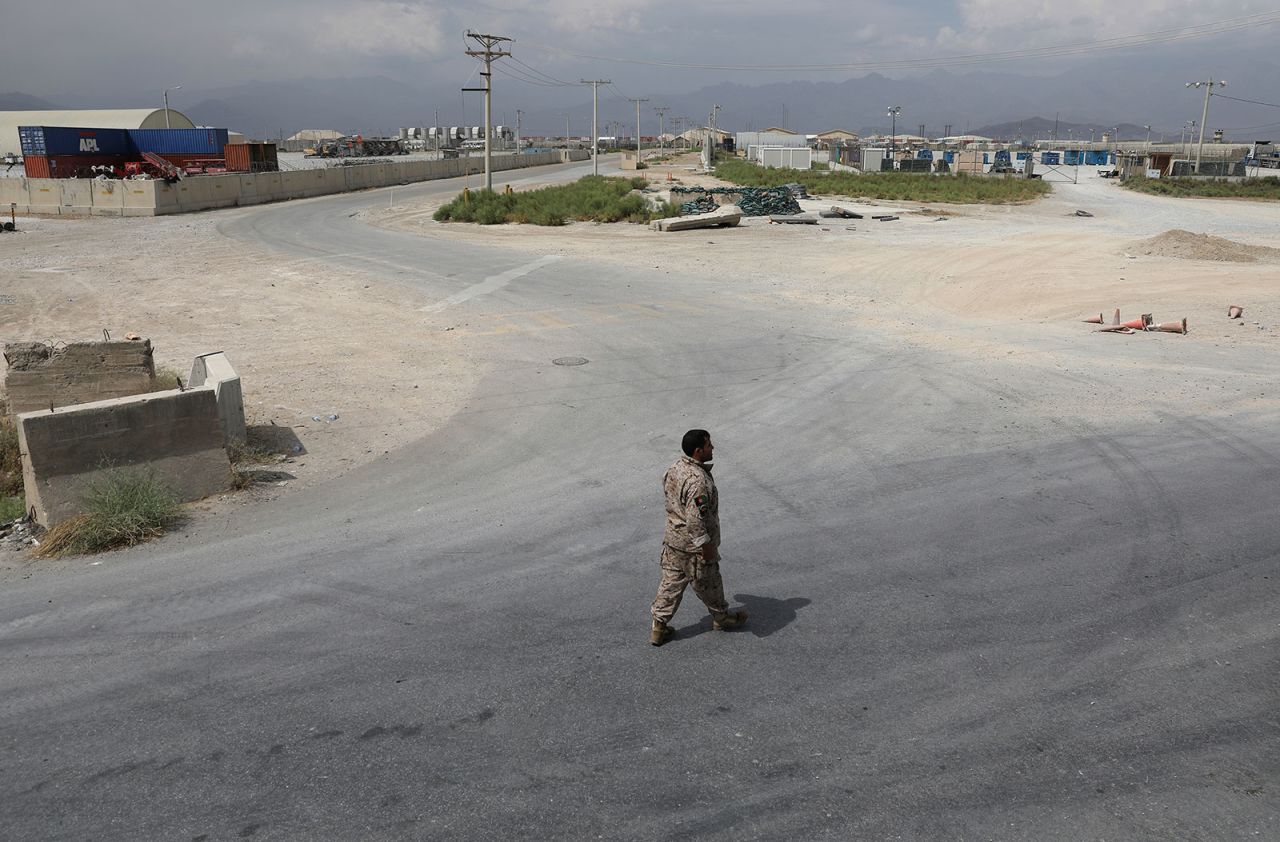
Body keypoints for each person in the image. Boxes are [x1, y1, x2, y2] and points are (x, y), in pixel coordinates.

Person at [650, 429, 748, 646]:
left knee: (670, 584)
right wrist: (705, 546)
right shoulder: (698, 482)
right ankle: (722, 618)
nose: (712, 447)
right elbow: (696, 520)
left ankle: (658, 627)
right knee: (710, 582)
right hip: (693, 547)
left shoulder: (675, 467)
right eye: (708, 445)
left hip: (673, 542)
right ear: (698, 451)